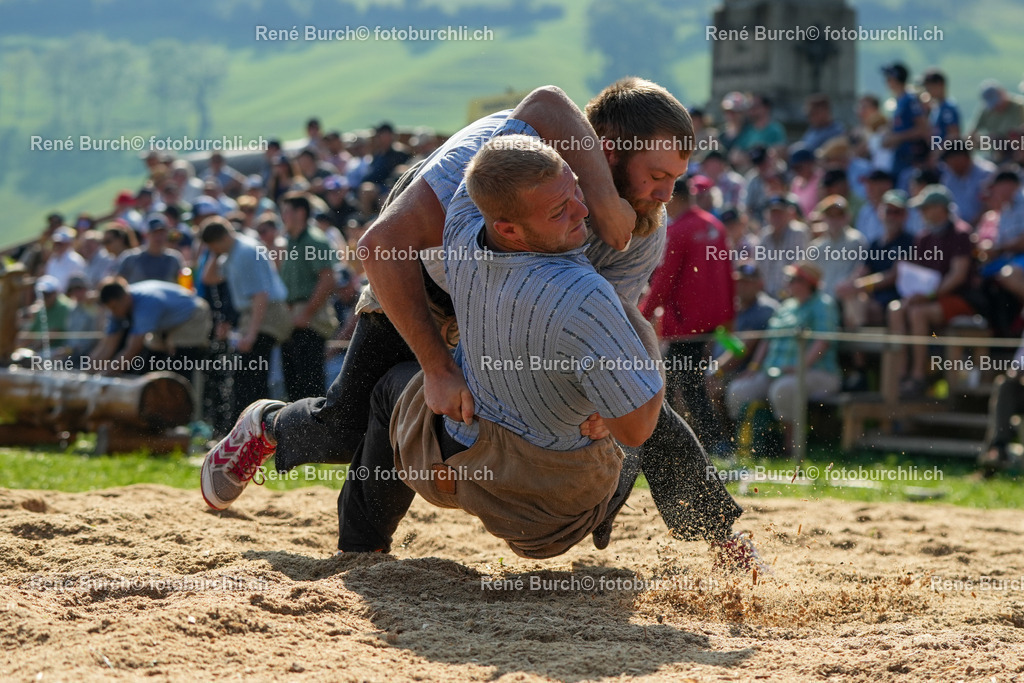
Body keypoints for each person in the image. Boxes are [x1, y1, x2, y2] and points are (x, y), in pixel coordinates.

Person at [200, 80, 751, 558]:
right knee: (350, 422)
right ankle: (267, 426)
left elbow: (610, 336)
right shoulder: (494, 164)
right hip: (423, 284)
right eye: (656, 174)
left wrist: (606, 398)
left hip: (518, 311)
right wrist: (437, 366)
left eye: (676, 177)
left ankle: (722, 539)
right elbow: (382, 244)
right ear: (606, 153)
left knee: (634, 410)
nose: (667, 192)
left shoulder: (642, 228)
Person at [640, 175, 734, 454]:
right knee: (688, 385)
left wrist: (642, 314)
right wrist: (730, 319)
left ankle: (679, 447)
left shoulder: (679, 230)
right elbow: (729, 275)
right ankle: (705, 445)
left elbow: (665, 280)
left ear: (671, 198)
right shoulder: (715, 225)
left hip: (685, 323)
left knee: (676, 386)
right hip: (712, 322)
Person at [726, 262, 841, 454]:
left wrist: (800, 367)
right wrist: (754, 367)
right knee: (738, 390)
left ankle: (792, 449)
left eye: (793, 279)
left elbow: (823, 341)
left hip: (817, 373)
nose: (788, 283)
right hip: (773, 372)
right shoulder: (786, 306)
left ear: (807, 282)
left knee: (784, 389)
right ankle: (743, 446)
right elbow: (767, 340)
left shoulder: (823, 304)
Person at [200, 217, 293, 420]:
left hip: (267, 313)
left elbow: (261, 294)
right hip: (255, 314)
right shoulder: (231, 252)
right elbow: (208, 278)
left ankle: (257, 428)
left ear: (219, 240)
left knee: (251, 376)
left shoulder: (245, 252)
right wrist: (215, 253)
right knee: (246, 374)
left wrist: (251, 335)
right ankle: (250, 428)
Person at [887, 185, 975, 398]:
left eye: (925, 208)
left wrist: (927, 296)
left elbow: (958, 276)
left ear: (940, 208)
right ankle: (901, 373)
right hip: (930, 298)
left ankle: (919, 376)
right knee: (896, 308)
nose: (922, 213)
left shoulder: (961, 233)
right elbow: (918, 273)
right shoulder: (924, 237)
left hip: (963, 299)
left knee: (918, 313)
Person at [278, 192, 338, 401]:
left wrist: (306, 313)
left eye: (286, 211)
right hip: (292, 317)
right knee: (293, 383)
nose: (282, 216)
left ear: (300, 212)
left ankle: (314, 432)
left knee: (310, 383)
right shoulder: (288, 241)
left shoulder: (315, 240)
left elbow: (328, 280)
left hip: (311, 318)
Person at [90, 277, 212, 376]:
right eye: (111, 309)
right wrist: (87, 373)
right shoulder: (118, 307)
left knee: (181, 361)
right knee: (152, 356)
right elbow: (106, 346)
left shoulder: (145, 304)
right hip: (168, 320)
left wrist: (105, 375)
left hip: (192, 315)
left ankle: (183, 399)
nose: (114, 312)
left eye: (115, 308)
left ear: (124, 298)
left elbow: (133, 348)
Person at [880, 63, 930, 182]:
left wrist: (897, 138)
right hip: (899, 156)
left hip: (910, 157)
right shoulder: (899, 100)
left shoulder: (910, 99)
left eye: (888, 78)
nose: (886, 81)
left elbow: (922, 129)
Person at [116, 215, 185, 284]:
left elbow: (183, 286)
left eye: (162, 233)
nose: (158, 237)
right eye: (154, 233)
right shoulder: (130, 258)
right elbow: (118, 283)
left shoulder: (174, 259)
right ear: (147, 234)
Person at [921, 68, 961, 143]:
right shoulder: (936, 107)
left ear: (939, 84)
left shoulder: (949, 107)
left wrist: (938, 152)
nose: (927, 90)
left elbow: (954, 136)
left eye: (929, 86)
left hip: (945, 153)